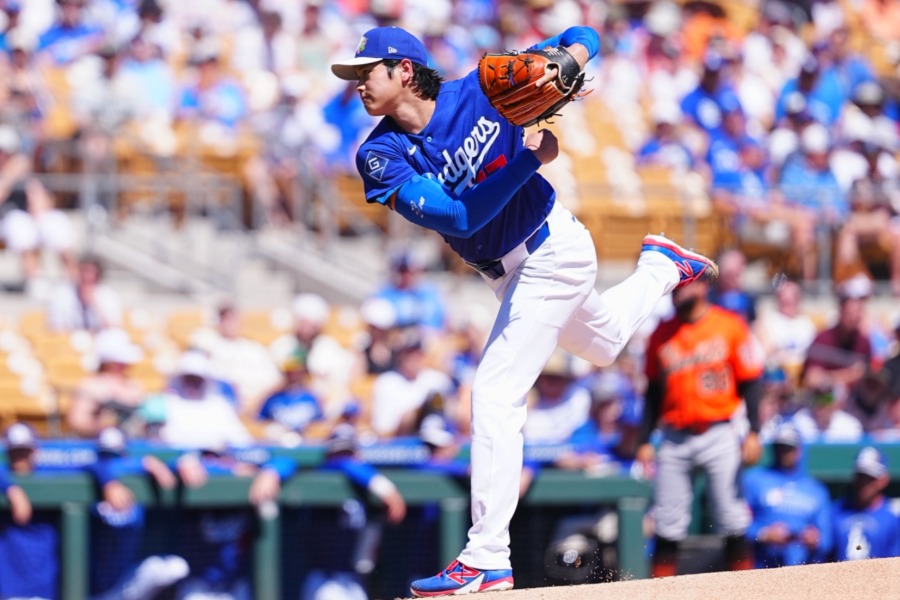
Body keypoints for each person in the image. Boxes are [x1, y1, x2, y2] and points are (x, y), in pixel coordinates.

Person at [331, 25, 719, 596]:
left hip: (551, 248)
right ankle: (662, 265)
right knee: (605, 342)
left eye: (369, 71)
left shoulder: (483, 88)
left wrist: (568, 62)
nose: (359, 83)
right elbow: (459, 219)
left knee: (493, 391)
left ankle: (486, 557)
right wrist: (529, 161)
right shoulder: (380, 153)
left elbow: (584, 34)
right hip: (506, 271)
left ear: (405, 71)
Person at [634, 276, 763, 578]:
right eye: (676, 285)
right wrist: (643, 439)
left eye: (687, 284)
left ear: (704, 286)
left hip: (719, 431)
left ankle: (748, 591)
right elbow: (653, 392)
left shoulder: (729, 325)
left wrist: (754, 431)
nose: (680, 291)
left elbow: (752, 382)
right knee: (666, 523)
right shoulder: (661, 333)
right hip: (674, 436)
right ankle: (661, 594)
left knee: (732, 518)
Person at [742, 424, 833, 568]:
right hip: (763, 568)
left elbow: (827, 540)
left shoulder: (816, 490)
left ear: (799, 450)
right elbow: (737, 528)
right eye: (780, 447)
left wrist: (814, 539)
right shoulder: (754, 479)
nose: (784, 453)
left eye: (789, 448)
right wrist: (764, 534)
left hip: (804, 569)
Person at [66, 327, 146, 438]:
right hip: (99, 448)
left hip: (132, 448)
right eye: (119, 362)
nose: (124, 365)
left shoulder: (134, 385)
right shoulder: (91, 385)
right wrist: (101, 426)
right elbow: (77, 421)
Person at [831, 446, 900, 561]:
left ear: (883, 480)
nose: (864, 483)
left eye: (870, 478)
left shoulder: (892, 517)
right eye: (861, 476)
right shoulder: (836, 511)